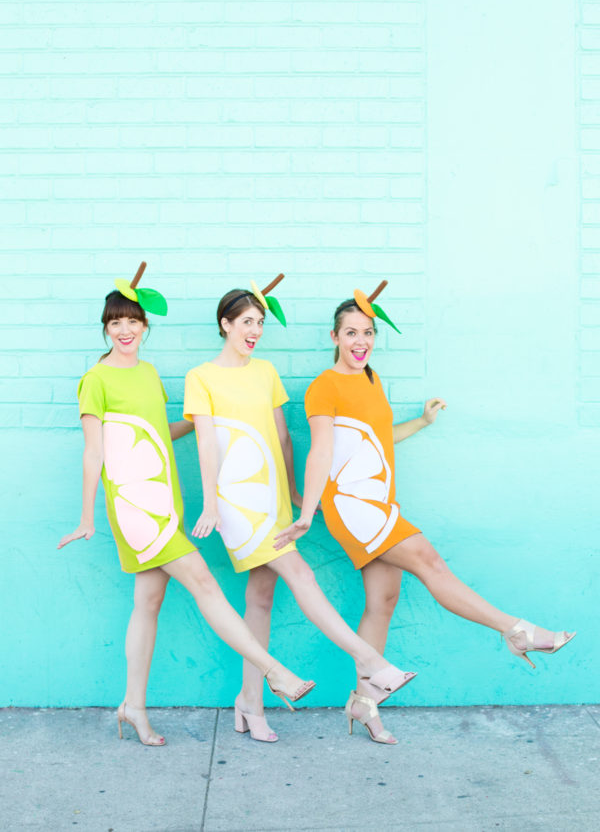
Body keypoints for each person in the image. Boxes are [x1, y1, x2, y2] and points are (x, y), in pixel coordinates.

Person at [274, 282, 576, 745]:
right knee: (429, 561)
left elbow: (377, 440)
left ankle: (364, 701)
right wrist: (307, 510)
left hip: (378, 502)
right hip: (353, 509)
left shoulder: (370, 379)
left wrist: (423, 422)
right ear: (334, 337)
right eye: (351, 333)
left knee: (383, 602)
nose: (361, 342)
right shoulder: (324, 387)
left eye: (368, 333)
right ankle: (516, 630)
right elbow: (320, 452)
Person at [57, 263, 314, 747]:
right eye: (116, 323)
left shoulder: (150, 373)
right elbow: (95, 451)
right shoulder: (96, 380)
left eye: (133, 322)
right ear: (106, 329)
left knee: (147, 603)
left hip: (163, 499)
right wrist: (88, 515)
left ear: (144, 327)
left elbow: (158, 433)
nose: (126, 330)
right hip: (136, 506)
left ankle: (132, 706)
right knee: (203, 582)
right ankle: (273, 672)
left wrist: (203, 424)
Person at [183, 277, 416, 743]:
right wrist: (209, 502)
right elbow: (206, 443)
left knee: (260, 599)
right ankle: (371, 661)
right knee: (302, 575)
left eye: (260, 323)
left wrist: (292, 493)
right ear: (225, 325)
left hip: (270, 497)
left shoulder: (266, 371)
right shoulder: (201, 377)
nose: (255, 331)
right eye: (246, 322)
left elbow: (283, 438)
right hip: (234, 501)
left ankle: (250, 701)